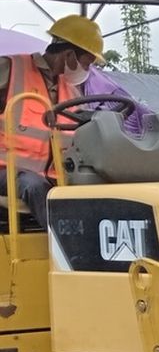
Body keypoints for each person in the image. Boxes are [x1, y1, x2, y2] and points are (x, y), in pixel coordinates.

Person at [0, 14, 103, 228]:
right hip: (6, 172)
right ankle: (68, 248)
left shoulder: (72, 92)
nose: (88, 70)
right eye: (88, 62)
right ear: (69, 55)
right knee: (34, 186)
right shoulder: (10, 69)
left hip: (52, 177)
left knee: (96, 184)